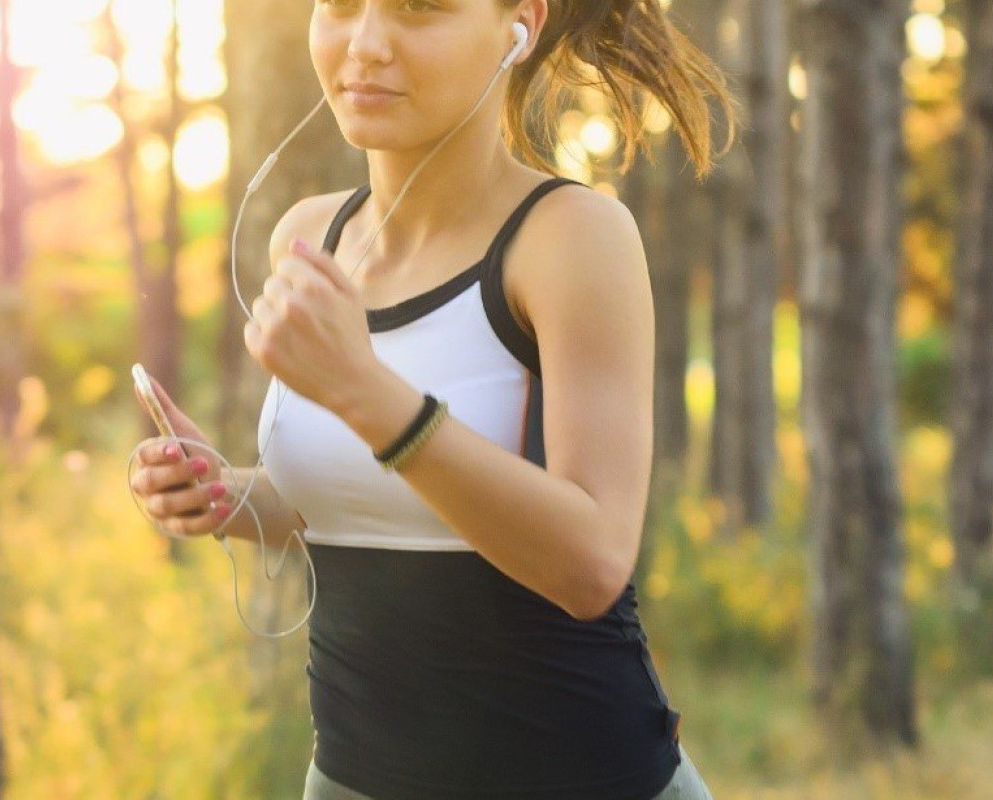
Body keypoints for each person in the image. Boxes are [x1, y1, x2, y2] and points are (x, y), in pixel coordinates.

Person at [129, 0, 739, 797]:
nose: (367, 44)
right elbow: (351, 499)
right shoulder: (310, 237)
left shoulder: (571, 238)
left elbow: (592, 562)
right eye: (342, 6)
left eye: (421, 9)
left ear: (515, 24)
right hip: (354, 778)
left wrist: (367, 394)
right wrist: (226, 493)